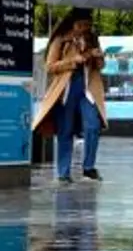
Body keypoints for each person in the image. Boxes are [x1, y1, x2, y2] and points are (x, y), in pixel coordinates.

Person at [32, 10, 106, 183]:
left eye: (88, 25)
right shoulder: (60, 40)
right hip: (66, 90)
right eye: (81, 25)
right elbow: (50, 66)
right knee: (65, 130)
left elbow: (100, 66)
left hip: (87, 89)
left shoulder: (92, 40)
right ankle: (63, 173)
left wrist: (98, 58)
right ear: (72, 24)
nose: (84, 29)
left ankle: (89, 168)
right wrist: (73, 61)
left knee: (93, 125)